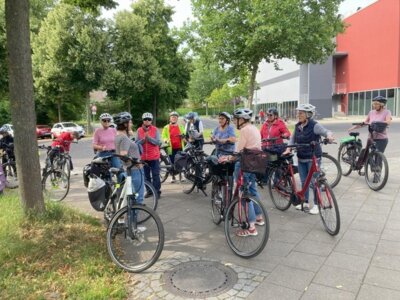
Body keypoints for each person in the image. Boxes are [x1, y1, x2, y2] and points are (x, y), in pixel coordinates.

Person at [282, 104, 334, 215]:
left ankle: (316, 204)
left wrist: (329, 137)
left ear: (308, 114)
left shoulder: (315, 125)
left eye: (300, 113)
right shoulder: (297, 126)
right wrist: (288, 149)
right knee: (303, 181)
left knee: (315, 182)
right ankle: (305, 202)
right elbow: (292, 139)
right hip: (301, 157)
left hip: (313, 158)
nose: (298, 115)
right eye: (298, 113)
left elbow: (326, 132)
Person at [230, 108, 265, 237]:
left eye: (236, 119)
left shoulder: (244, 130)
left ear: (242, 119)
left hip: (245, 164)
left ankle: (251, 227)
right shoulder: (254, 128)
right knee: (253, 190)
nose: (234, 122)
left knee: (244, 194)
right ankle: (259, 217)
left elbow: (238, 150)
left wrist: (229, 158)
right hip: (255, 163)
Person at [114, 112, 144, 204]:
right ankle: (133, 217)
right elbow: (123, 155)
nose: (132, 124)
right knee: (138, 196)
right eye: (130, 122)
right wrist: (136, 161)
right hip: (134, 169)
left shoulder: (119, 136)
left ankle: (130, 215)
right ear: (125, 124)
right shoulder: (124, 138)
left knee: (131, 194)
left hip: (128, 169)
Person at [136, 112, 161, 197]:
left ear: (151, 121)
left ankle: (157, 192)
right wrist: (143, 139)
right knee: (146, 176)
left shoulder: (155, 129)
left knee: (155, 175)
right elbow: (136, 143)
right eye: (145, 119)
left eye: (149, 119)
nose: (147, 121)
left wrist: (149, 138)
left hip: (154, 156)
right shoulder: (139, 130)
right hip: (143, 157)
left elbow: (158, 142)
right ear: (143, 120)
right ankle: (149, 191)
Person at [93, 113, 123, 181]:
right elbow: (94, 145)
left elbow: (118, 141)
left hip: (113, 153)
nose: (106, 122)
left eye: (108, 120)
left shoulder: (113, 130)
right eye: (104, 120)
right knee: (106, 174)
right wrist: (101, 147)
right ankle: (108, 189)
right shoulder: (97, 131)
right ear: (101, 121)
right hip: (103, 154)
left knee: (119, 171)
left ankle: (119, 188)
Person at [161, 111, 185, 183]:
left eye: (175, 117)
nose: (174, 118)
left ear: (177, 118)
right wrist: (165, 140)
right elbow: (163, 136)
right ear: (170, 119)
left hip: (179, 147)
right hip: (171, 148)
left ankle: (181, 175)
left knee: (180, 162)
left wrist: (184, 136)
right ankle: (173, 176)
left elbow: (184, 134)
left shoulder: (180, 126)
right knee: (171, 162)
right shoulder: (166, 127)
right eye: (172, 117)